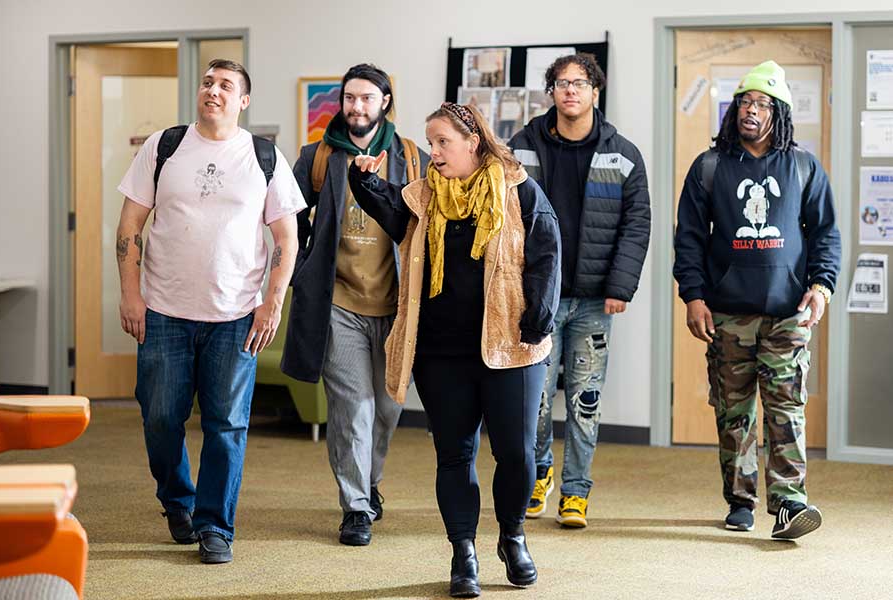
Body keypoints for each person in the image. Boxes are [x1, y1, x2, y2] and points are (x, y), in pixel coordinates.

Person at [349, 102, 560, 598]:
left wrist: (538, 320)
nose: (434, 152)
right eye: (430, 142)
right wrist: (364, 180)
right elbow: (394, 218)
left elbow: (547, 253)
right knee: (454, 455)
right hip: (442, 353)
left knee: (516, 453)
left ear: (474, 142)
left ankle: (512, 536)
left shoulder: (517, 189)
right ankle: (462, 551)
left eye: (443, 141)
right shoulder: (423, 196)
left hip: (512, 346)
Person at [116, 59, 305, 563]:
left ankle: (215, 525)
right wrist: (130, 294)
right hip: (162, 312)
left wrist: (272, 304)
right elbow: (130, 224)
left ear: (243, 101)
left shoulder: (264, 156)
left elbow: (287, 237)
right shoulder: (165, 146)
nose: (213, 91)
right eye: (207, 82)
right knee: (160, 417)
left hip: (236, 316)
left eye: (226, 86)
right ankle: (177, 500)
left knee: (226, 424)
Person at [674, 60, 841, 539]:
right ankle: (741, 500)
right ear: (733, 111)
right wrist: (694, 296)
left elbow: (826, 234)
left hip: (788, 312)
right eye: (744, 102)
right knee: (734, 410)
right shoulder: (709, 167)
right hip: (726, 312)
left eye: (762, 104)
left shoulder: (804, 167)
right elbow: (688, 238)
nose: (750, 110)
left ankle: (789, 504)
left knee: (786, 408)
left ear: (781, 113)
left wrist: (822, 286)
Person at [280, 64, 428, 547]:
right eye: (349, 98)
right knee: (353, 407)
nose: (356, 107)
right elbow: (287, 223)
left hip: (395, 307)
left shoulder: (411, 158)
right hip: (337, 304)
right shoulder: (317, 158)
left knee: (387, 408)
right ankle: (356, 507)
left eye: (367, 98)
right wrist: (300, 272)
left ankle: (369, 482)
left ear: (385, 102)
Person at [508, 53, 651, 527]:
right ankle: (540, 472)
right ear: (551, 91)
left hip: (594, 300)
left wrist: (621, 287)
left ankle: (576, 491)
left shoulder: (623, 154)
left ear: (595, 92)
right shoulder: (520, 149)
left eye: (580, 83)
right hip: (537, 300)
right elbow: (503, 221)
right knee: (536, 400)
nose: (570, 90)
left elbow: (637, 225)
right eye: (562, 83)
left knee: (585, 402)